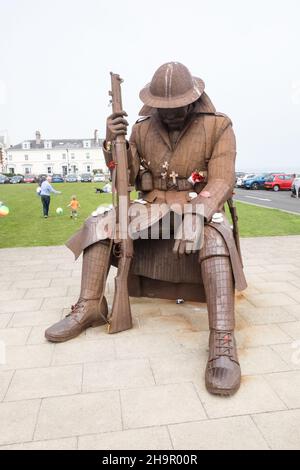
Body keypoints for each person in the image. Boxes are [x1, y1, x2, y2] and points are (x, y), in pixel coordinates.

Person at [45, 62, 247, 396]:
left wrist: (199, 214)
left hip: (196, 204)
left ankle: (222, 338)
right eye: (164, 108)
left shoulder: (218, 126)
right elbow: (125, 176)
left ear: (193, 99)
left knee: (213, 239)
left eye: (178, 107)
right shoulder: (140, 128)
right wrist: (112, 142)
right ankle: (90, 306)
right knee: (100, 224)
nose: (170, 114)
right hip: (151, 207)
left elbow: (224, 178)